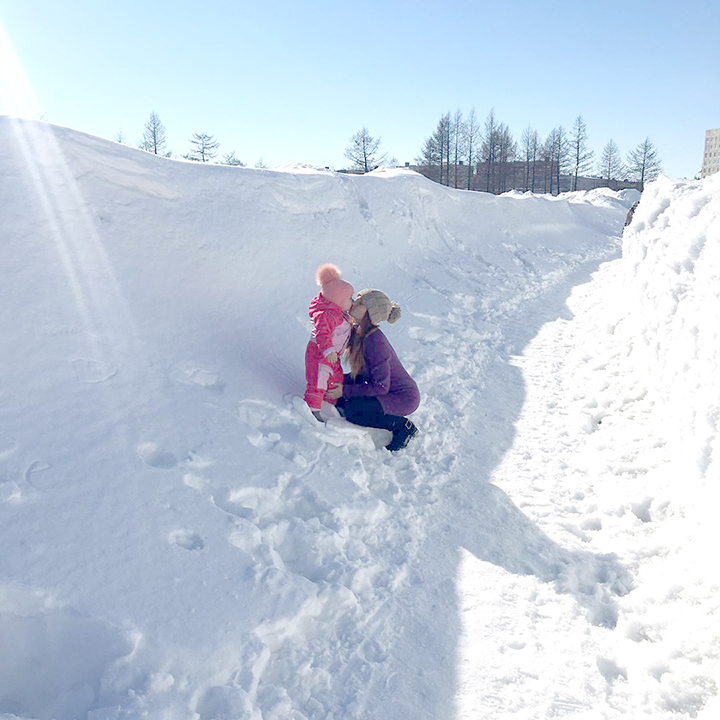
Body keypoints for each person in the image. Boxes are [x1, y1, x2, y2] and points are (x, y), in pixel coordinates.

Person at [327, 289, 420, 451]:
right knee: (342, 395)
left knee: (353, 411)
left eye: (361, 303)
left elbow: (380, 387)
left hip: (402, 397)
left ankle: (403, 427)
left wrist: (344, 390)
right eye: (357, 299)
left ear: (371, 313)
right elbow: (363, 375)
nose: (354, 303)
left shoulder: (375, 342)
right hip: (380, 387)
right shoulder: (359, 332)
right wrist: (340, 382)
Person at [304, 263, 355, 421]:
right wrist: (328, 350)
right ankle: (313, 408)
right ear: (338, 301)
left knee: (336, 379)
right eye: (348, 299)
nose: (352, 302)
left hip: (332, 356)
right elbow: (322, 334)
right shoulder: (326, 316)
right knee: (319, 379)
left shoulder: (339, 313)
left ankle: (329, 403)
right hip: (320, 354)